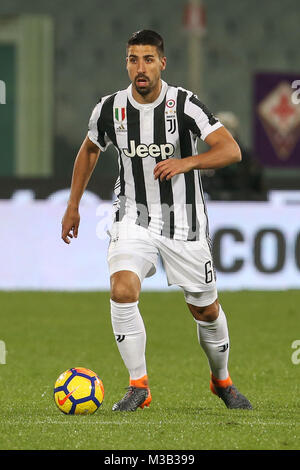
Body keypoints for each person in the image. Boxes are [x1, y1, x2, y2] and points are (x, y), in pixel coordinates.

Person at [61, 30, 252, 412]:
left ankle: (222, 381)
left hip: (185, 222)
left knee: (205, 310)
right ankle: (139, 386)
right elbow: (88, 150)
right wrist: (73, 204)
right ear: (126, 63)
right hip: (133, 215)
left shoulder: (184, 105)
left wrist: (188, 161)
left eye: (148, 59)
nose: (140, 68)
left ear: (162, 63)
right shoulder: (110, 108)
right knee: (122, 290)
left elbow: (231, 150)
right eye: (133, 59)